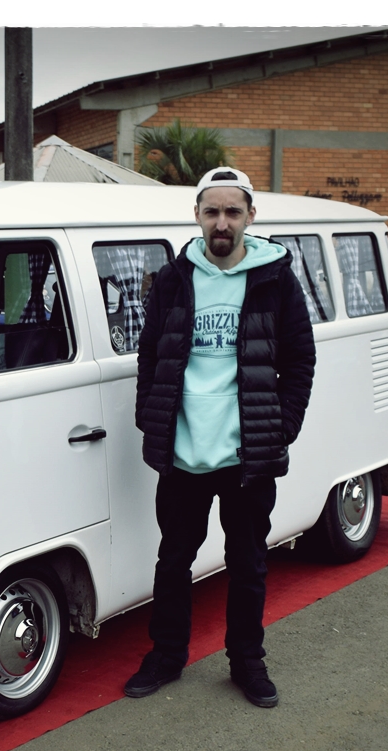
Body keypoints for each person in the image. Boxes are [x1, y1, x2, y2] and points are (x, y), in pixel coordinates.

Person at [124, 166, 316, 708]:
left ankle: (247, 661)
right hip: (182, 454)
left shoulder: (275, 279)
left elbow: (300, 359)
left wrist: (282, 426)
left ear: (251, 216)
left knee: (248, 564)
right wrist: (151, 418)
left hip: (246, 454)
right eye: (212, 211)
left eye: (233, 211)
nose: (222, 222)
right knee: (173, 562)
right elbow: (150, 353)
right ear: (197, 216)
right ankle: (167, 656)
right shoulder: (173, 278)